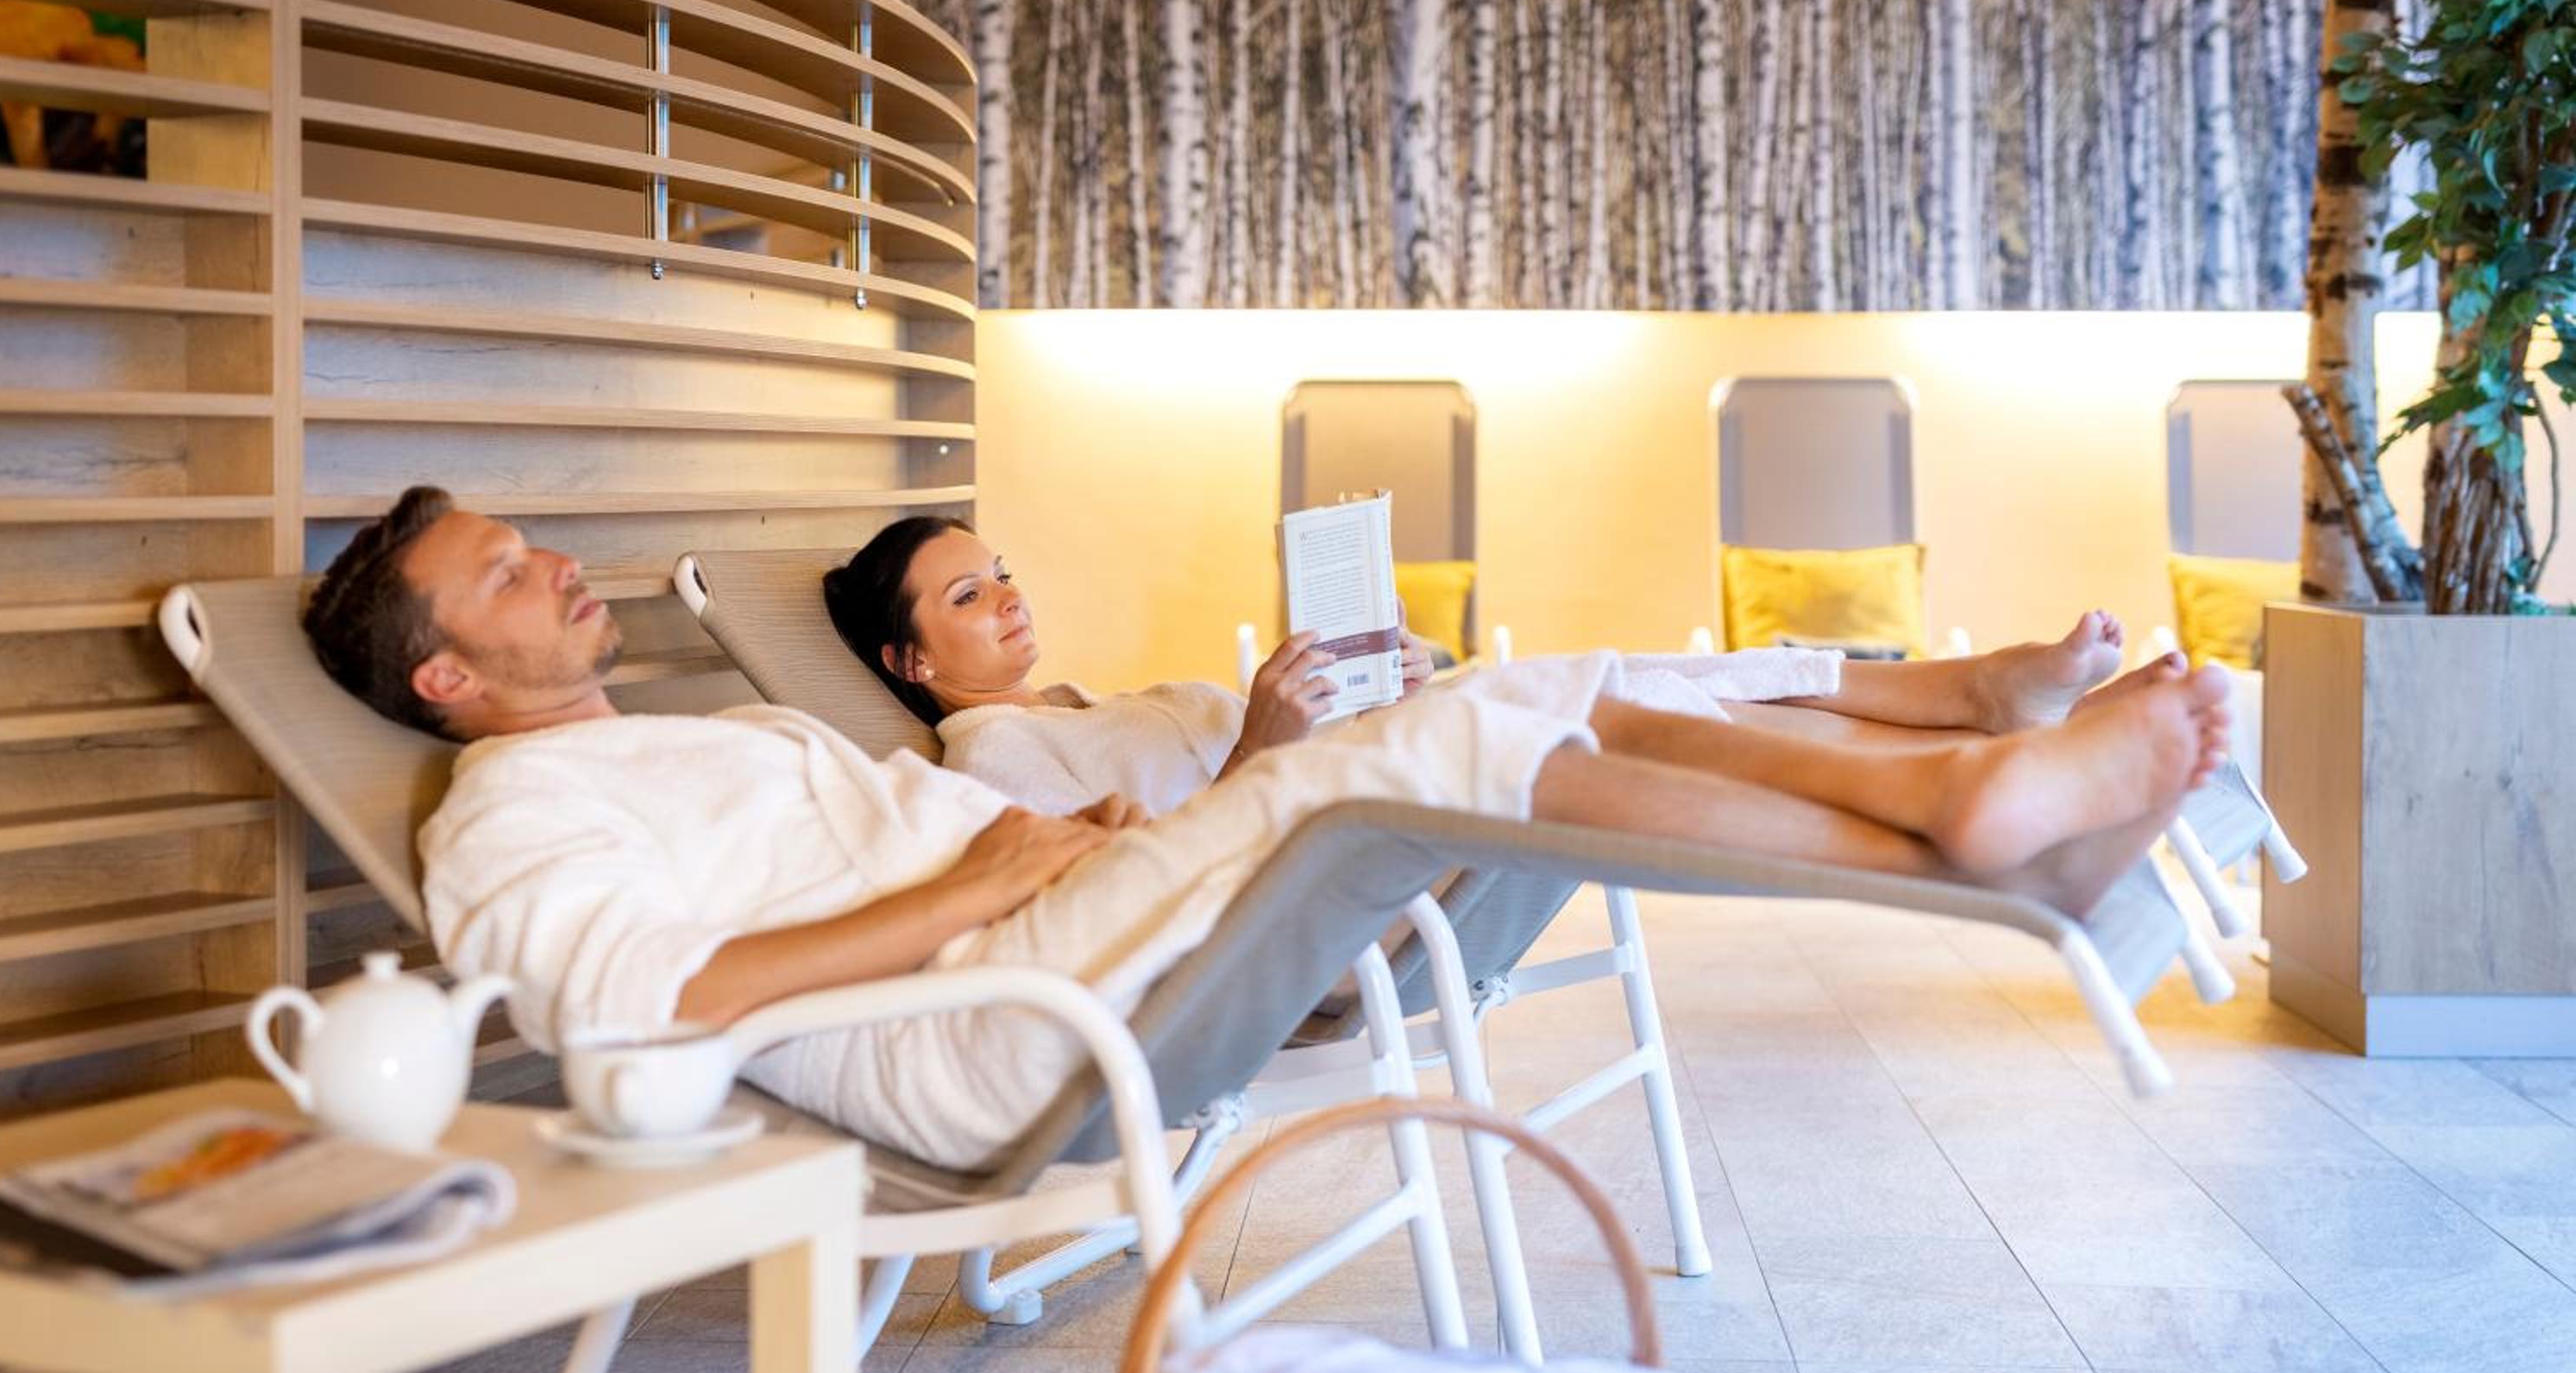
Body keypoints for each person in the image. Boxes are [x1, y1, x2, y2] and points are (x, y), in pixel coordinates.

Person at [305, 488, 2226, 1171]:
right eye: (505, 570)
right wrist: (975, 877)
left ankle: (1960, 793)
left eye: (532, 541)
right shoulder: (505, 811)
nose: (556, 564)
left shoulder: (707, 740)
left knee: (1503, 710)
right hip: (973, 1026)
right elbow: (632, 1008)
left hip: (1034, 935)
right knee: (1456, 727)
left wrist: (1036, 849)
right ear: (446, 675)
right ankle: (1954, 790)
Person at [826, 513, 2187, 823]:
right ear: (908, 656)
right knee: (1613, 691)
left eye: (1003, 570)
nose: (1009, 597)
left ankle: (1975, 713)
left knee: (1626, 687)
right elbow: (1130, 877)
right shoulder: (988, 756)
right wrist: (1260, 746)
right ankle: (1971, 711)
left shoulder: (1088, 705)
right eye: (967, 595)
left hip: (1370, 771)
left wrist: (1370, 683)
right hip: (1332, 839)